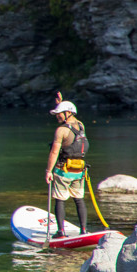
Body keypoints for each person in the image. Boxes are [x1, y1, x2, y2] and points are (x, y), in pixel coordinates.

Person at [45, 92, 90, 237]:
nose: (57, 116)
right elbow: (71, 117)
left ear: (68, 113)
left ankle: (61, 232)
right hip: (79, 171)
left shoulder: (61, 130)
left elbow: (54, 153)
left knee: (60, 199)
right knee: (79, 199)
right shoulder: (81, 126)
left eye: (59, 114)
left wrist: (48, 171)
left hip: (63, 171)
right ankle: (83, 230)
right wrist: (61, 103)